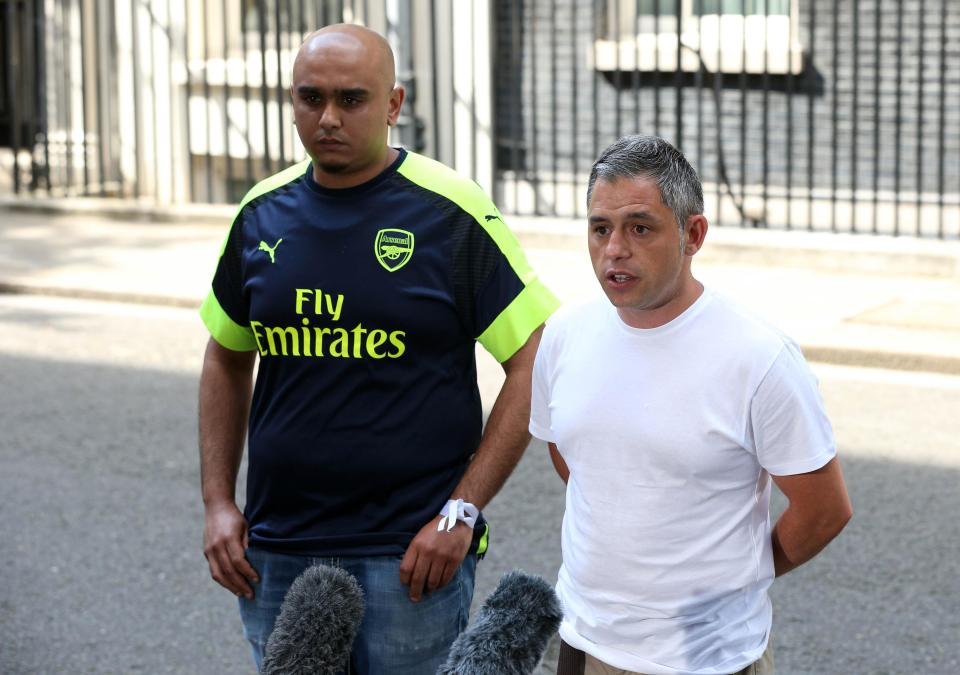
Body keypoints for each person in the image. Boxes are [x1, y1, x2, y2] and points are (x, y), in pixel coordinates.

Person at [198, 24, 559, 674]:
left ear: (393, 105)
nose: (328, 117)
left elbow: (535, 356)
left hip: (409, 555)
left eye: (351, 99)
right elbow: (226, 356)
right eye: (310, 98)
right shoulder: (259, 214)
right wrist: (219, 503)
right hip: (274, 549)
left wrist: (462, 511)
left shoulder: (450, 212)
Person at [530, 135, 852, 675]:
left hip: (707, 659)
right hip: (583, 641)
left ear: (693, 233)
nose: (614, 249)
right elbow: (572, 457)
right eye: (600, 228)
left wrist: (737, 575)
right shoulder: (564, 334)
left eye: (640, 227)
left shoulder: (758, 356)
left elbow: (824, 510)